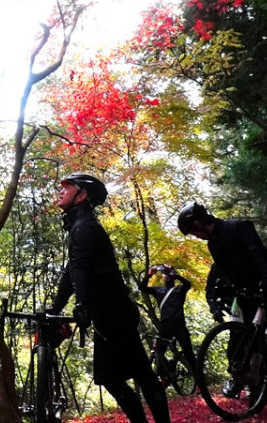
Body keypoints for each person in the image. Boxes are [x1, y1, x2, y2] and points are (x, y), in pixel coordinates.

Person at [49, 173, 170, 423]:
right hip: (110, 314)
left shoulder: (84, 228)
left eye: (68, 188)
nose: (60, 191)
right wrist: (56, 306)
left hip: (115, 314)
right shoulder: (80, 226)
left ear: (82, 196)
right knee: (122, 376)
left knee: (133, 376)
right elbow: (72, 271)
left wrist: (80, 303)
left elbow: (79, 271)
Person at [177, 203, 267, 411]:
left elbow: (260, 256)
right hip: (247, 291)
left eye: (194, 231)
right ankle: (256, 389)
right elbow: (225, 273)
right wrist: (217, 299)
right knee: (249, 341)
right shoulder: (213, 245)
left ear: (198, 223)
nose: (196, 236)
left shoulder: (238, 227)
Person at [139, 264, 197, 376]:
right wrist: (150, 274)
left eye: (168, 273)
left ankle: (200, 381)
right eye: (164, 274)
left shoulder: (179, 289)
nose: (166, 275)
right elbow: (142, 287)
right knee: (159, 353)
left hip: (179, 324)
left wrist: (177, 276)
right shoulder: (158, 290)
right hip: (165, 325)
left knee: (188, 352)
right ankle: (163, 377)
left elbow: (188, 284)